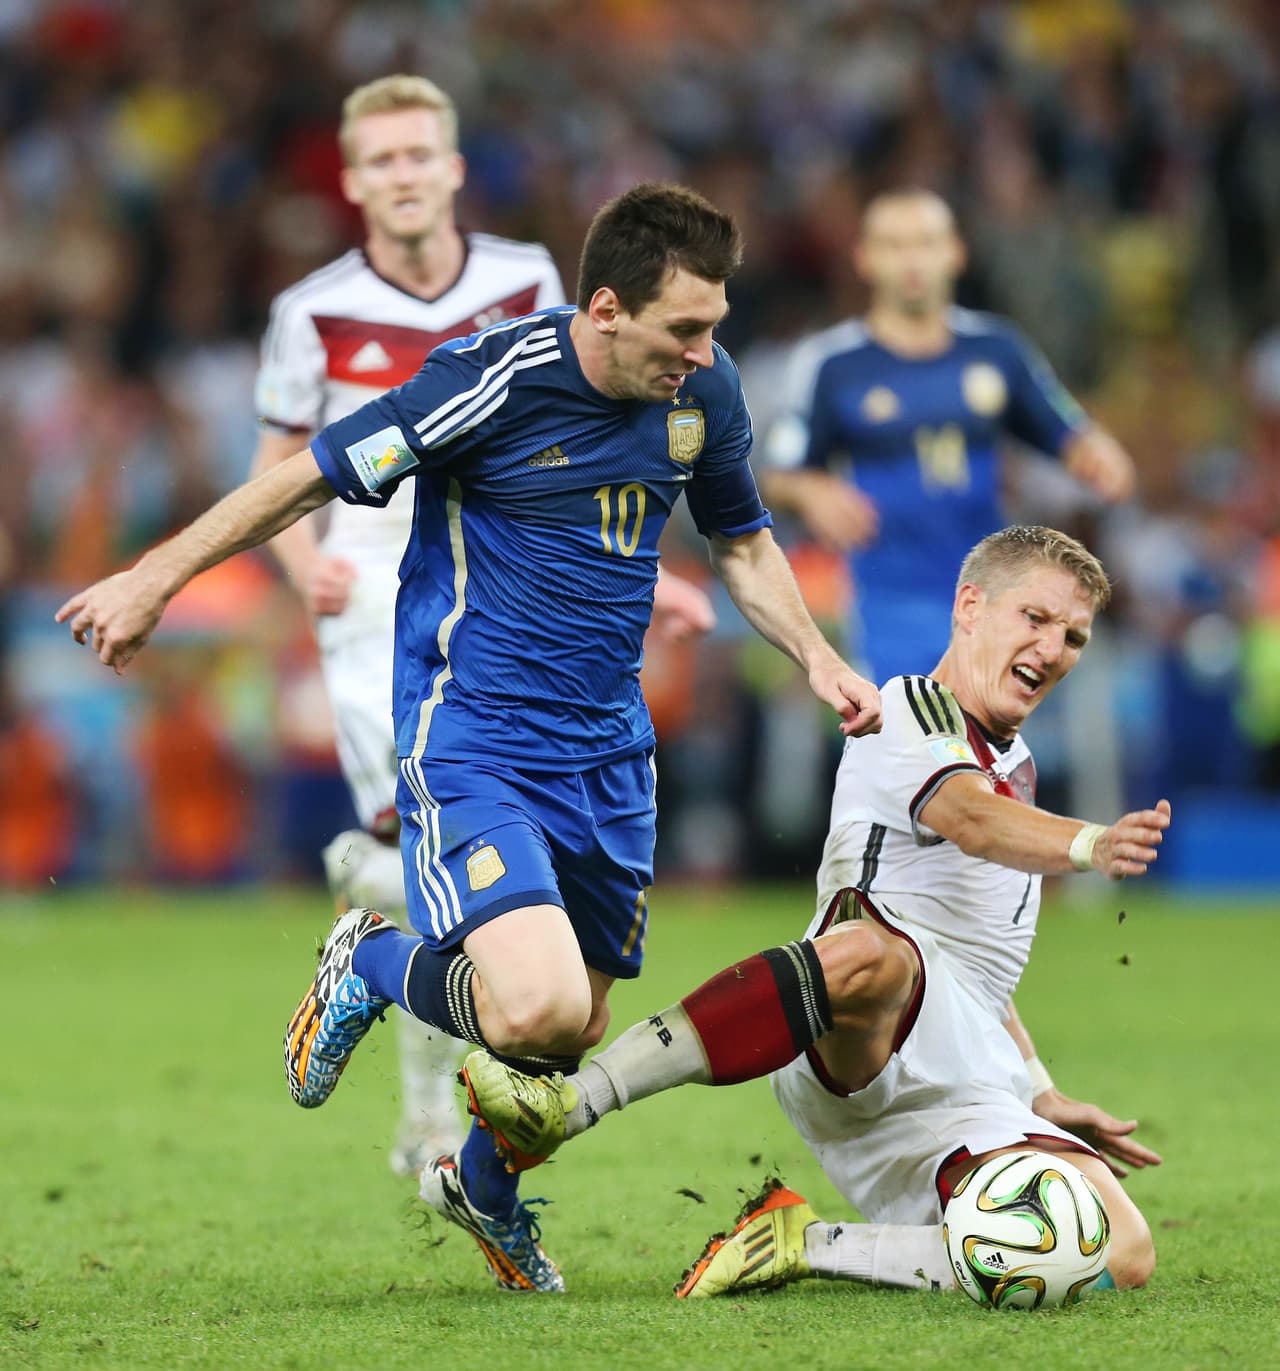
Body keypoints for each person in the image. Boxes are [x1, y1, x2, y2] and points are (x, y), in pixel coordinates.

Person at [56, 181, 882, 1295]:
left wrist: (818, 659)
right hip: (476, 736)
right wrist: (154, 578)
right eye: (683, 328)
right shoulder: (489, 382)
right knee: (537, 1005)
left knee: (566, 1033)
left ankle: (481, 1192)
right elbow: (302, 478)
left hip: (609, 754)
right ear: (604, 310)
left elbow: (739, 541)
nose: (702, 352)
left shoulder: (704, 390)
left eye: (713, 328)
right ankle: (370, 957)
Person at [460, 525, 1168, 1298]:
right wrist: (1092, 843)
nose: (1053, 648)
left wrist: (1038, 1088)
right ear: (970, 606)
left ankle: (805, 1242)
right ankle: (573, 1102)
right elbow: (968, 817)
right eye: (1035, 617)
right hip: (855, 1032)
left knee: (1120, 1249)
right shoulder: (908, 711)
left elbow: (974, 971)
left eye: (1073, 635)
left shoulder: (1015, 769)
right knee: (876, 954)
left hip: (961, 1079)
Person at [250, 75, 717, 1179]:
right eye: (383, 160)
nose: (404, 175)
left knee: (454, 891)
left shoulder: (525, 281)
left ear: (454, 168)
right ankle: (426, 1117)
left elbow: (592, 439)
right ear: (353, 181)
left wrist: (652, 578)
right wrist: (307, 568)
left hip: (507, 584)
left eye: (421, 154)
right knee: (421, 851)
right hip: (377, 597)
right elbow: (279, 466)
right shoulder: (311, 311)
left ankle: (419, 1066)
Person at [761, 188, 1136, 682]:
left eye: (926, 242)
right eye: (894, 245)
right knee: (909, 724)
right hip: (887, 603)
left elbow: (1068, 431)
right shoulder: (833, 365)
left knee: (984, 729)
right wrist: (811, 491)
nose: (912, 260)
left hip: (992, 599)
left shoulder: (997, 350)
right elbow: (777, 475)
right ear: (864, 259)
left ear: (956, 252)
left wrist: (1097, 453)